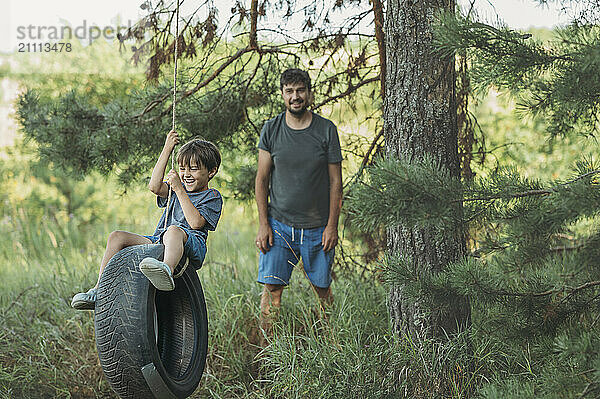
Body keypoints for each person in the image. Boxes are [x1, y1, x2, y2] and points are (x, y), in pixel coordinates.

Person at [71, 130, 223, 310]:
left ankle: (166, 269)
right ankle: (99, 290)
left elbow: (195, 223)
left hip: (191, 243)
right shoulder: (176, 188)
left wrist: (180, 190)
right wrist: (167, 148)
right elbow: (154, 186)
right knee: (117, 236)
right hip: (159, 238)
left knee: (173, 230)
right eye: (183, 169)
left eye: (194, 169)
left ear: (211, 171)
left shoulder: (212, 196)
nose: (186, 174)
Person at [255, 68, 343, 327]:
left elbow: (336, 182)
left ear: (309, 94)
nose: (296, 96)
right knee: (272, 290)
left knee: (323, 290)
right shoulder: (271, 130)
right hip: (279, 226)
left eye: (300, 91)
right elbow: (261, 179)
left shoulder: (326, 130)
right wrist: (263, 224)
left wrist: (332, 226)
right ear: (282, 94)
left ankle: (330, 343)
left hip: (318, 229)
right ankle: (268, 351)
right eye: (290, 91)